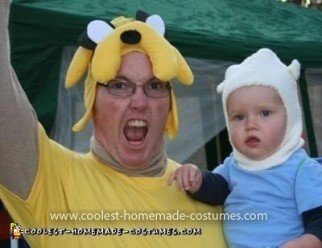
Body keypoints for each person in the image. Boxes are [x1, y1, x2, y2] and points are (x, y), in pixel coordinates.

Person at [0, 1, 225, 247]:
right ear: (92, 102)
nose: (139, 101)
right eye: (119, 85)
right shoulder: (49, 180)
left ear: (169, 105)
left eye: (154, 85)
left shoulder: (209, 192)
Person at [168, 48, 322, 247]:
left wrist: (307, 242)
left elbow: (318, 217)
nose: (251, 124)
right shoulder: (233, 166)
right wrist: (197, 179)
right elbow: (216, 189)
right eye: (239, 117)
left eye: (265, 113)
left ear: (290, 117)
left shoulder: (302, 168)